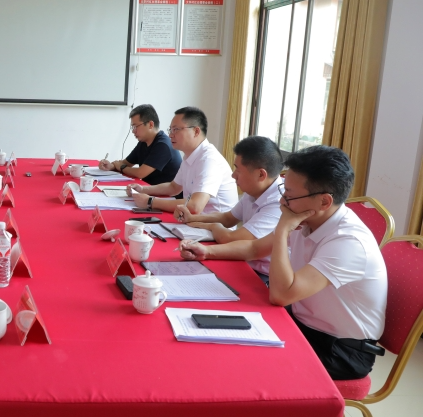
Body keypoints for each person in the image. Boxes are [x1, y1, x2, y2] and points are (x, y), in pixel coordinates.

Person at [179, 145, 387, 380]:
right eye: (283, 190)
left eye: (289, 194)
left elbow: (281, 295)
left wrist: (282, 229)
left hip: (338, 348)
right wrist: (207, 252)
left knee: (238, 363)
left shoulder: (348, 242)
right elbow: (255, 248)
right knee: (218, 329)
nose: (282, 200)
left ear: (324, 201)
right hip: (300, 321)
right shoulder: (307, 217)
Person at [173, 136, 283, 282]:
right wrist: (192, 218)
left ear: (261, 174)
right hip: (243, 261)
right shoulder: (255, 190)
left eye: (238, 169)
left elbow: (231, 238)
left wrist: (212, 227)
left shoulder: (279, 202)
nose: (233, 175)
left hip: (263, 275)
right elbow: (228, 218)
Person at [127, 106, 237, 214]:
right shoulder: (190, 155)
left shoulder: (209, 160)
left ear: (196, 131)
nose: (170, 135)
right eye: (171, 130)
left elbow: (195, 206)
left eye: (176, 129)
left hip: (211, 225)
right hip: (192, 220)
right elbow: (174, 187)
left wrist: (151, 201)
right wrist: (142, 189)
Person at [98, 104, 181, 185]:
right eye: (132, 127)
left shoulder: (163, 145)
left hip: (165, 193)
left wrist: (121, 167)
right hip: (148, 189)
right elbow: (126, 163)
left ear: (150, 124)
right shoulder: (143, 142)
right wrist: (111, 166)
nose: (133, 131)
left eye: (135, 126)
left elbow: (140, 173)